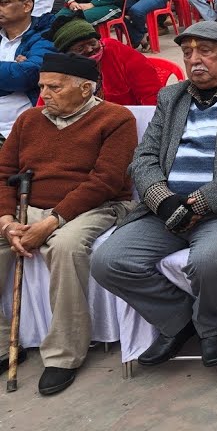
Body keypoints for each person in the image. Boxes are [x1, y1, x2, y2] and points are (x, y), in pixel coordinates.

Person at [90, 21, 217, 369]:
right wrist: (163, 200)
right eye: (187, 52)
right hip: (166, 209)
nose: (195, 59)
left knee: (210, 260)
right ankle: (180, 321)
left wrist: (201, 203)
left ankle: (212, 327)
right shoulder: (171, 98)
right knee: (108, 261)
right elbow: (144, 158)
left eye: (205, 51)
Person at [0, 53, 137, 395]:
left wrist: (51, 222)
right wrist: (6, 221)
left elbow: (106, 181)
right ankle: (3, 345)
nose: (44, 94)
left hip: (94, 206)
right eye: (42, 86)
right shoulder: (28, 120)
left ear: (85, 88)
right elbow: (4, 173)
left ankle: (64, 355)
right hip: (30, 206)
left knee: (65, 245)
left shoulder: (116, 118)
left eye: (55, 87)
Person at [48, 16, 161, 106]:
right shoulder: (59, 69)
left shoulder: (117, 52)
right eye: (80, 48)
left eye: (93, 43)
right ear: (67, 54)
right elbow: (47, 106)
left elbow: (152, 95)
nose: (90, 49)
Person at [0, 0, 56, 144]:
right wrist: (12, 72)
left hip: (20, 131)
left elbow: (28, 75)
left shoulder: (45, 35)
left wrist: (18, 74)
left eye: (4, 3)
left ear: (27, 6)